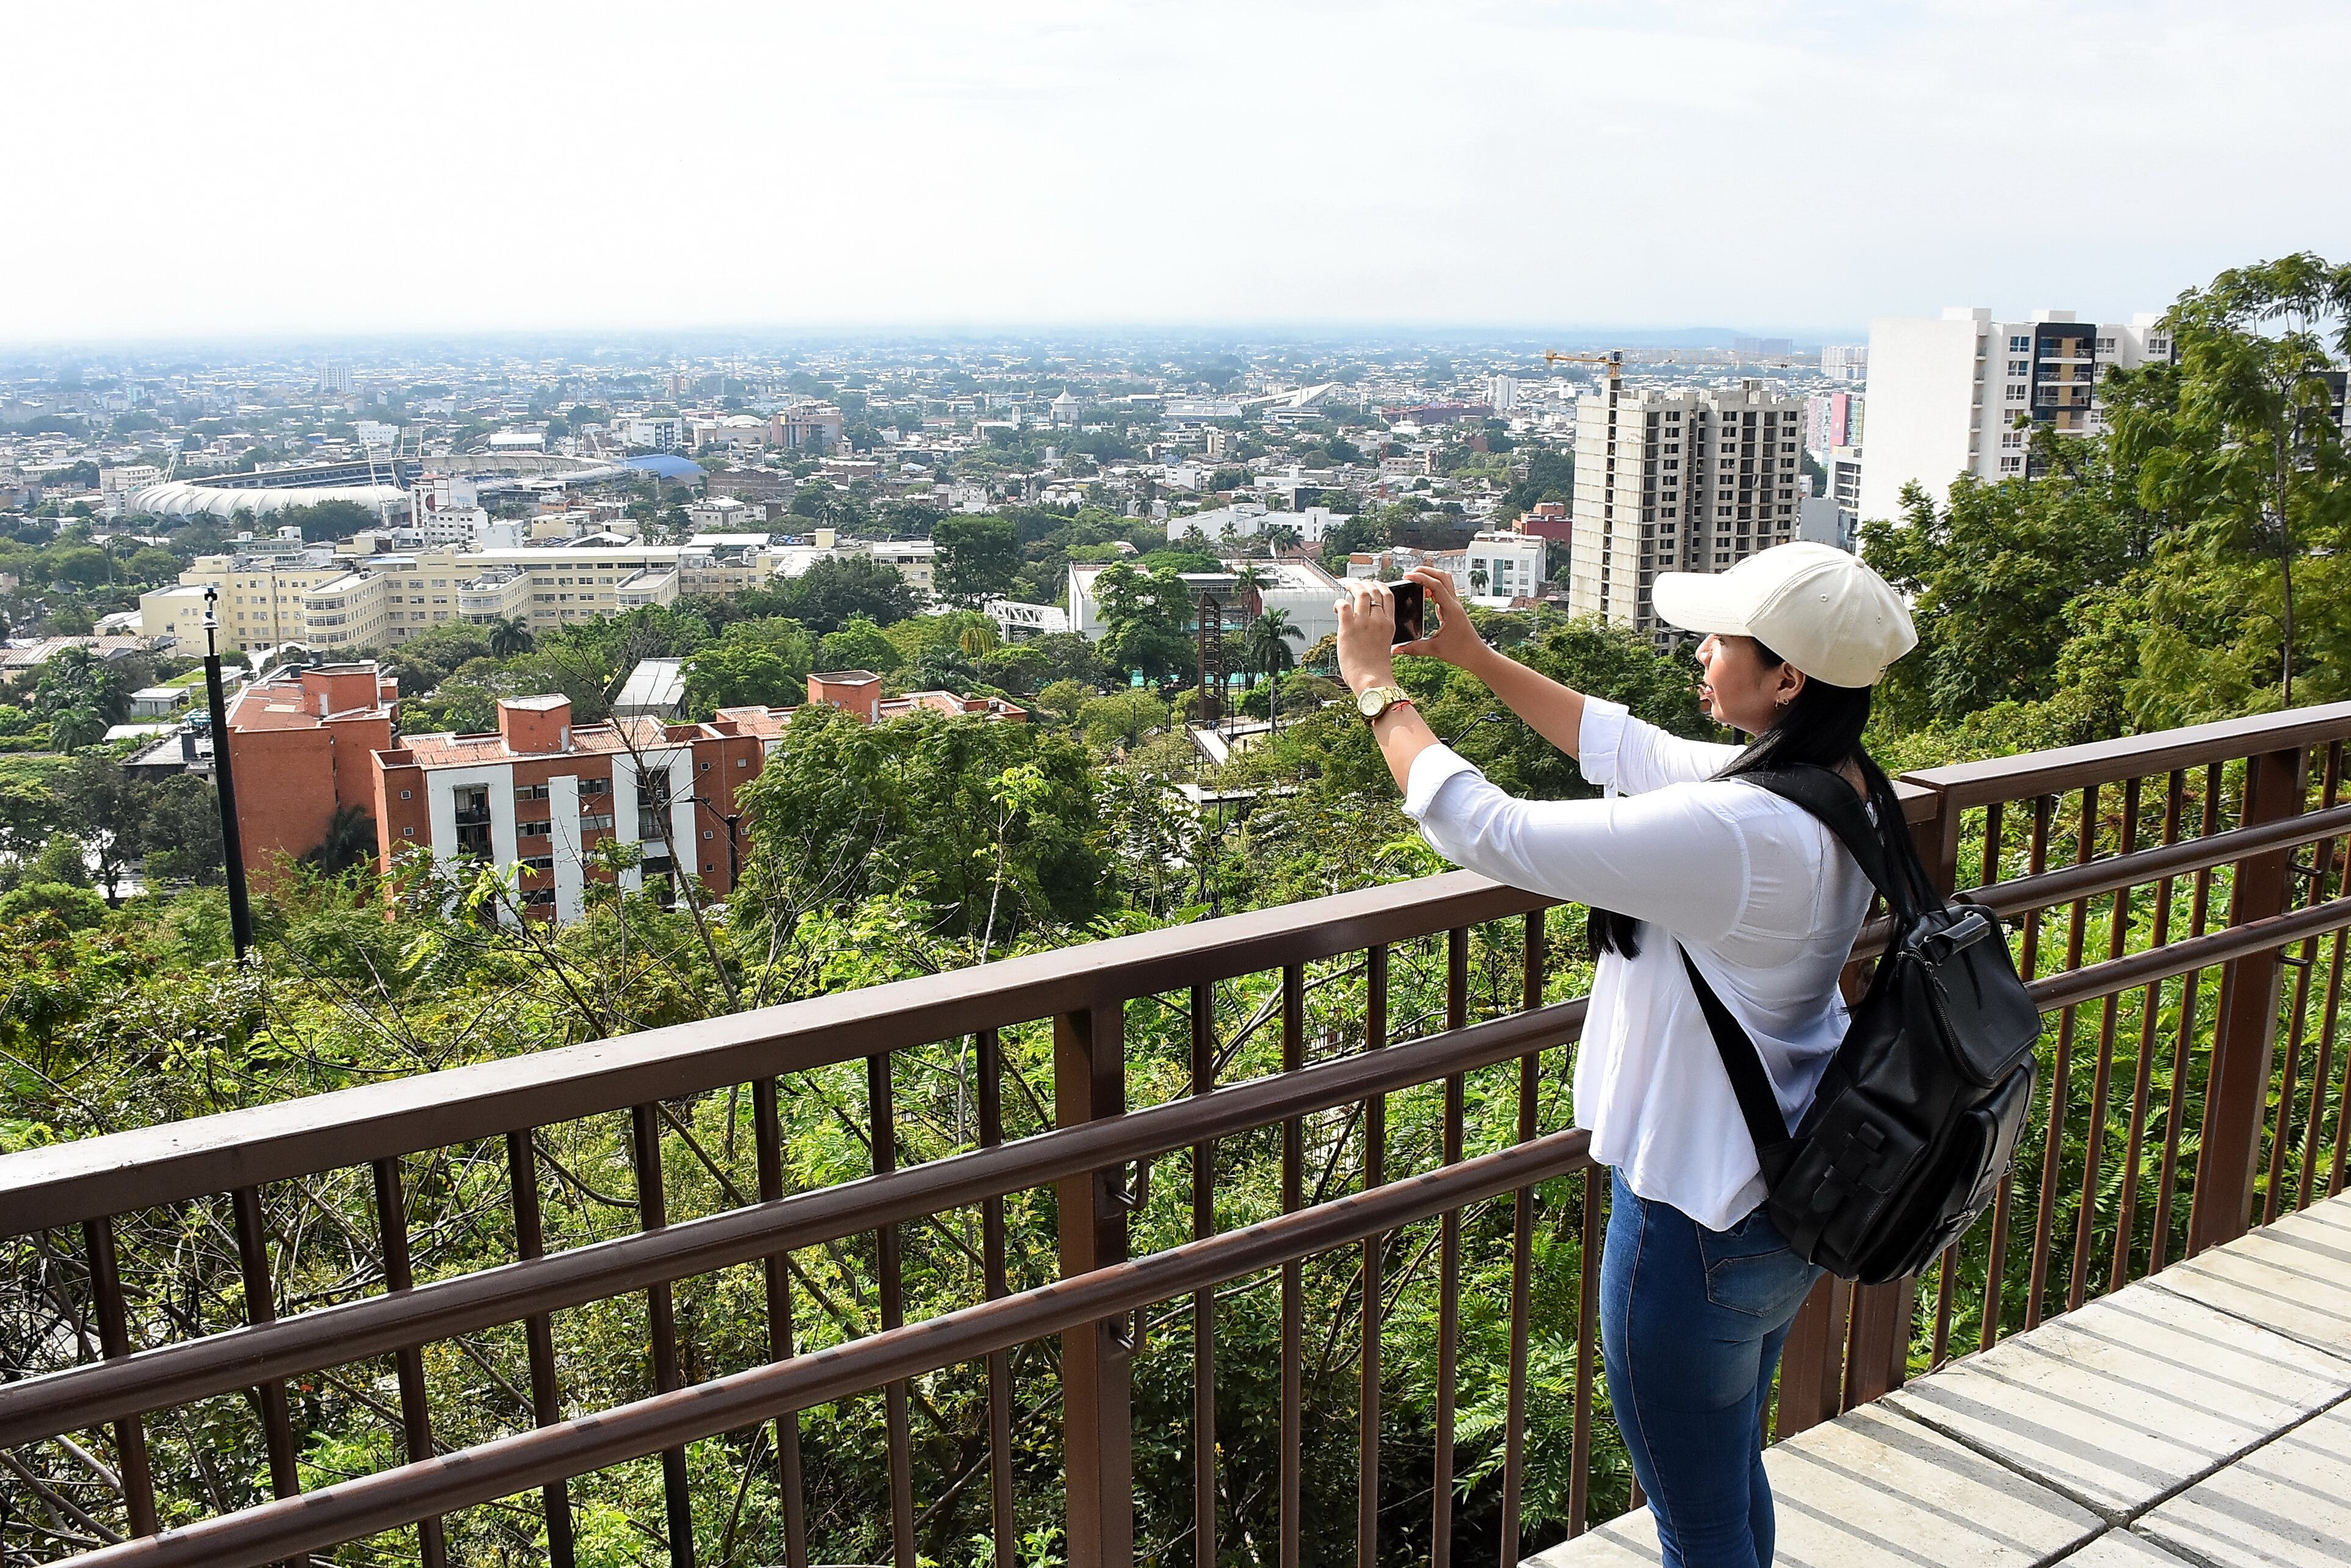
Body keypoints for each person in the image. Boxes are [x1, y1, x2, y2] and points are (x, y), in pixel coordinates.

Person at [1331, 543, 1918, 1568]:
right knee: (1728, 1475)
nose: (1700, 648)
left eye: (1721, 639)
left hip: (1691, 1225)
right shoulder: (1834, 783)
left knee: (1695, 1522)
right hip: (1777, 1199)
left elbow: (1489, 829)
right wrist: (1472, 656)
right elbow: (1627, 746)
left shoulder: (1743, 827)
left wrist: (1378, 689)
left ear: (1787, 678)